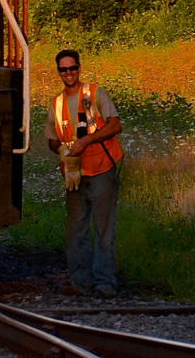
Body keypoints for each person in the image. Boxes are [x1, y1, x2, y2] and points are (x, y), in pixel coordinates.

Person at [46, 49, 123, 297]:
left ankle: (105, 284)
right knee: (75, 231)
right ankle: (81, 283)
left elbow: (115, 125)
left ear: (79, 68)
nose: (69, 73)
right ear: (58, 72)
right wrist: (61, 149)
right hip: (74, 175)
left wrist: (87, 140)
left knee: (103, 230)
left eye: (72, 68)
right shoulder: (56, 104)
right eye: (63, 69)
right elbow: (51, 139)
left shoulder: (93, 94)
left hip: (102, 168)